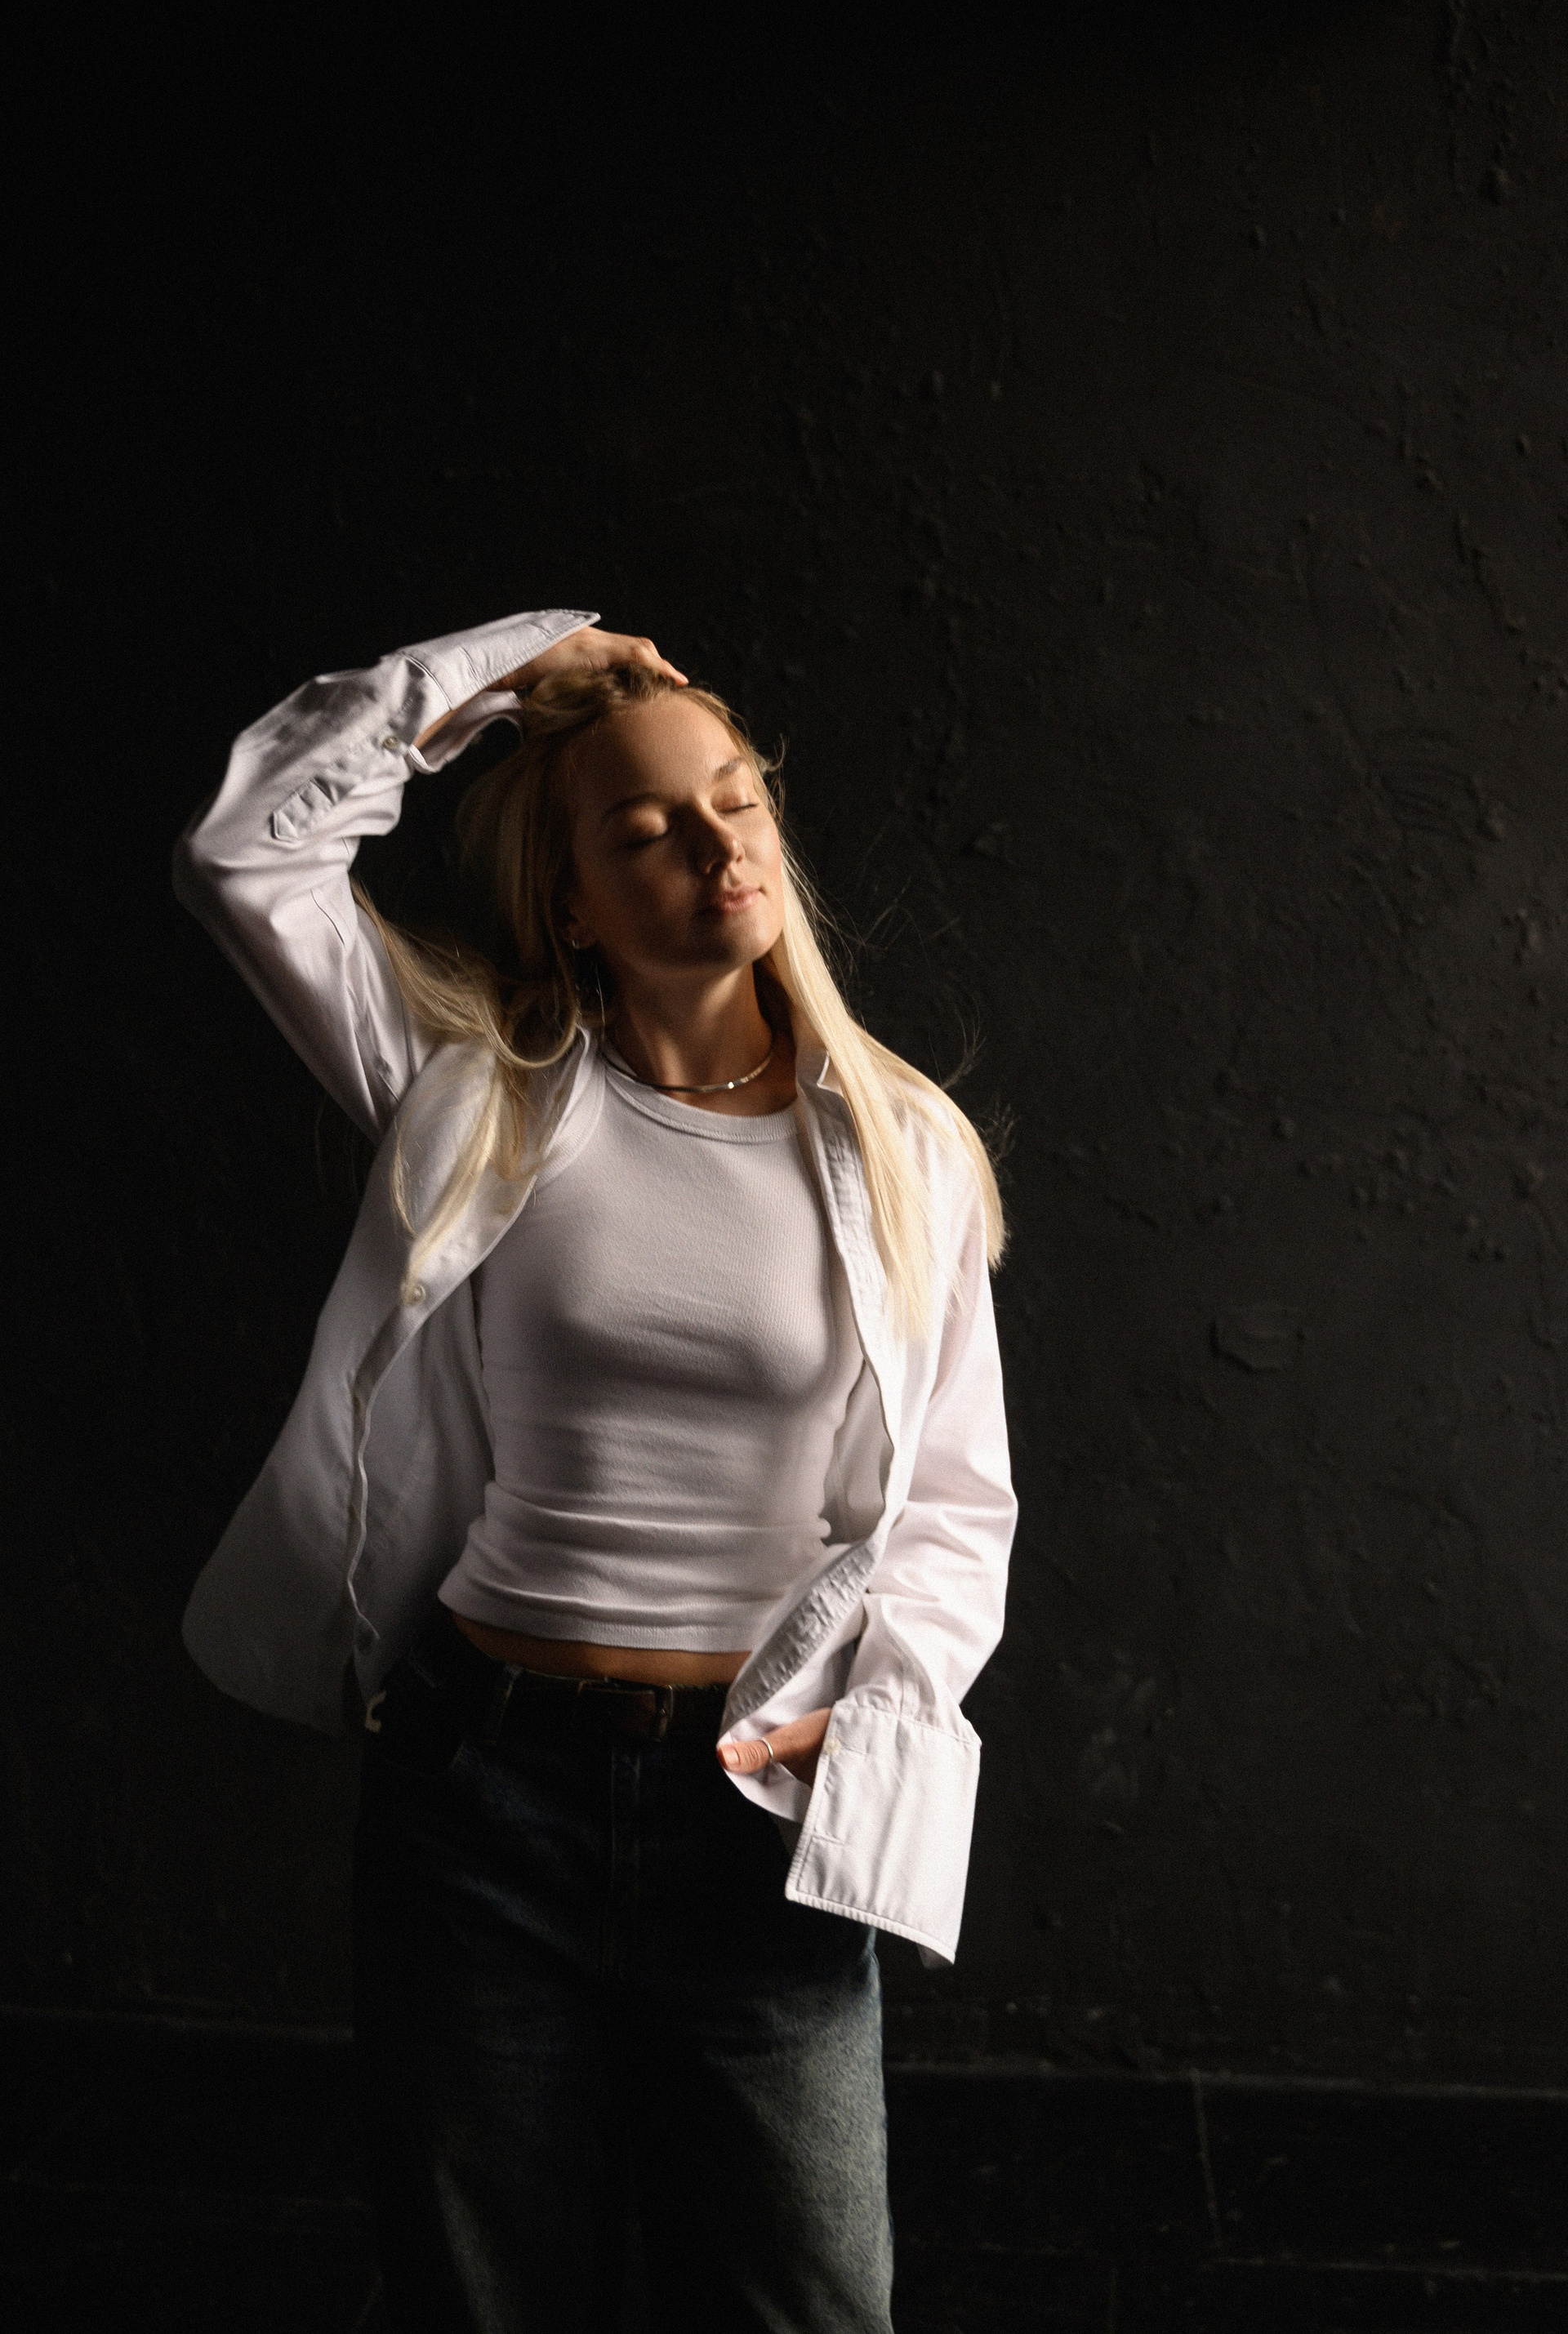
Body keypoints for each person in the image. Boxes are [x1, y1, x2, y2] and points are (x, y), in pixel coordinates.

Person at [173, 607, 1017, 2333]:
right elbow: (246, 854)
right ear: (570, 899)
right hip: (483, 1783)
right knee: (484, 2299)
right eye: (647, 829)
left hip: (754, 1810)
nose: (718, 845)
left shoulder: (902, 1144)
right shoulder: (476, 1098)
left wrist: (883, 1702)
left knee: (807, 2304)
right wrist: (497, 675)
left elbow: (956, 1496)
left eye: (737, 800)